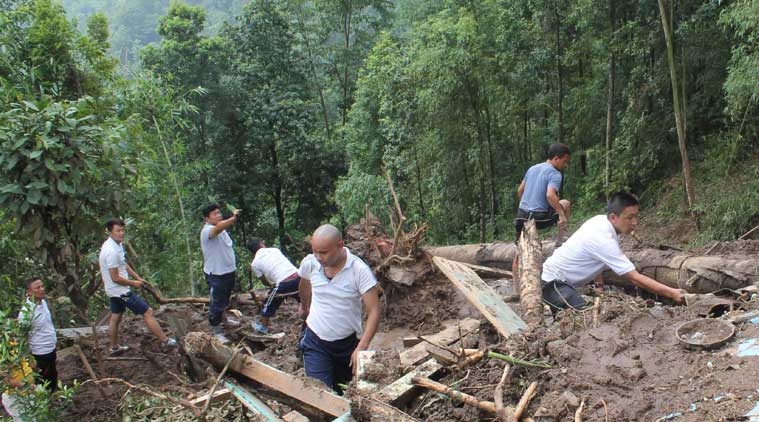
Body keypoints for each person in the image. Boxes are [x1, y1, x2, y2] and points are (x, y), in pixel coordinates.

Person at [540, 191, 685, 311]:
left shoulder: (600, 221)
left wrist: (599, 287)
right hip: (552, 285)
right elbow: (635, 278)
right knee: (584, 318)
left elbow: (597, 258)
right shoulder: (603, 239)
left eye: (636, 216)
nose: (635, 222)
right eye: (630, 217)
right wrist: (672, 293)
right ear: (613, 217)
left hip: (558, 281)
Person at [298, 224, 380, 393]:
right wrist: (304, 306)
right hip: (315, 341)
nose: (318, 257)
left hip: (347, 345)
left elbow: (374, 311)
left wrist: (361, 347)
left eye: (323, 252)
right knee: (319, 395)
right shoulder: (310, 263)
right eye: (315, 251)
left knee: (347, 393)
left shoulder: (359, 270)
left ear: (340, 245)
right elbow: (304, 284)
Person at [99, 218, 177, 355]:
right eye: (118, 231)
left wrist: (137, 277)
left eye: (123, 230)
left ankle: (114, 348)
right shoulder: (110, 251)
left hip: (113, 291)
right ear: (110, 232)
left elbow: (123, 264)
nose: (121, 233)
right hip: (121, 291)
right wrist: (133, 283)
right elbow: (115, 277)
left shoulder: (116, 245)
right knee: (147, 312)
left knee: (116, 317)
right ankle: (165, 341)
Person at [200, 204, 241, 344]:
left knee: (224, 299)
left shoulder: (221, 228)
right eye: (215, 214)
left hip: (227, 271)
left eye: (219, 213)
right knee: (216, 302)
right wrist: (233, 218)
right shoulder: (208, 230)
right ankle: (217, 331)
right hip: (216, 273)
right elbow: (217, 228)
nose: (218, 215)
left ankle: (225, 320)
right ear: (207, 218)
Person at [246, 238, 301, 334]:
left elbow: (264, 281)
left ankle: (263, 327)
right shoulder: (274, 250)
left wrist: (271, 285)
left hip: (283, 282)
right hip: (298, 276)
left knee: (268, 303)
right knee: (304, 298)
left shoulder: (255, 263)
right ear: (261, 244)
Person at [18, 278, 58, 392]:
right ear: (29, 292)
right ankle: (45, 405)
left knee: (53, 377)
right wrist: (30, 361)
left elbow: (47, 326)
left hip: (50, 349)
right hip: (39, 354)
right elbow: (22, 338)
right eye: (37, 288)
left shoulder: (43, 302)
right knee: (42, 384)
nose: (42, 289)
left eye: (42, 286)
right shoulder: (26, 314)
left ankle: (54, 401)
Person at [1, 340, 34, 422]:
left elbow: (29, 363)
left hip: (29, 392)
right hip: (16, 397)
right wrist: (27, 386)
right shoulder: (3, 351)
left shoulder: (15, 342)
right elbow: (6, 380)